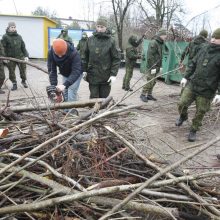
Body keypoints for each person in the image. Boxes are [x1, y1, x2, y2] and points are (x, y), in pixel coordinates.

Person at [175, 28, 220, 142]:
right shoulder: (203, 48)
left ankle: (193, 130)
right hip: (193, 84)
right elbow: (193, 63)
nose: (214, 39)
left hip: (207, 90)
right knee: (181, 103)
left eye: (217, 38)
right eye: (213, 37)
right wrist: (186, 77)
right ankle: (183, 116)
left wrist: (219, 93)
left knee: (201, 112)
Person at [83, 16, 121, 98]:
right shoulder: (90, 40)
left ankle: (102, 111)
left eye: (102, 27)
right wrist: (84, 70)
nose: (100, 29)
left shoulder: (111, 41)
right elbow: (85, 56)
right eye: (98, 26)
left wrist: (113, 74)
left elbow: (116, 59)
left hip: (106, 77)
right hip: (92, 75)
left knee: (103, 99)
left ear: (106, 27)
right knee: (93, 98)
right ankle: (94, 111)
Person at [140, 29, 167, 102]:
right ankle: (143, 94)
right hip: (152, 66)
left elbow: (160, 55)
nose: (166, 36)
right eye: (164, 35)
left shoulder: (160, 43)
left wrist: (160, 67)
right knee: (150, 81)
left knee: (154, 81)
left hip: (157, 66)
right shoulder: (154, 42)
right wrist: (153, 67)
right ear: (161, 35)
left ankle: (149, 94)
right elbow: (150, 56)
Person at [1, 22, 29, 91]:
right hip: (10, 58)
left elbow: (23, 47)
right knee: (11, 71)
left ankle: (23, 81)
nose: (13, 29)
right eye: (12, 27)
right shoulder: (5, 37)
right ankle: (14, 84)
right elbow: (2, 48)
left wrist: (26, 56)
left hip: (20, 56)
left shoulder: (19, 36)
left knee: (23, 69)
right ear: (9, 28)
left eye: (14, 27)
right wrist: (4, 57)